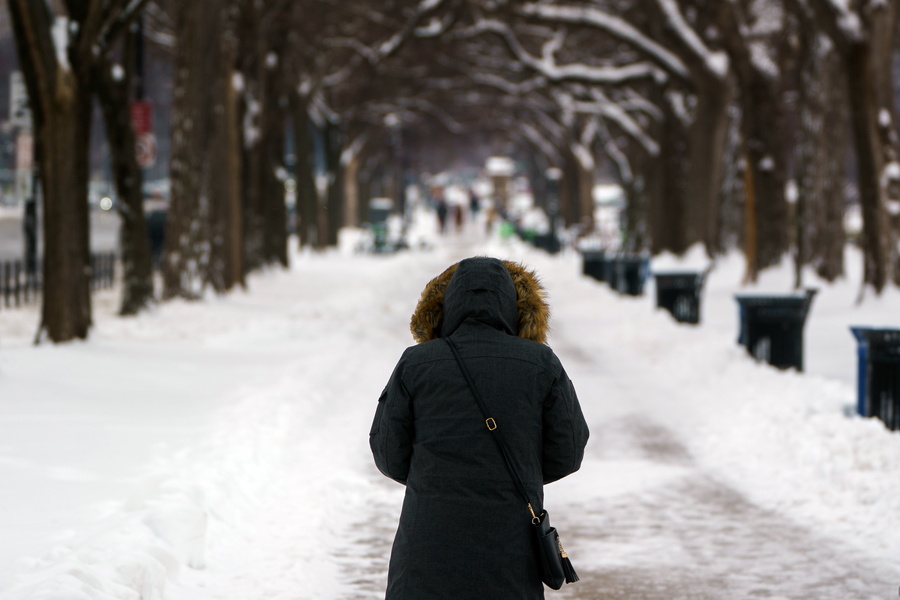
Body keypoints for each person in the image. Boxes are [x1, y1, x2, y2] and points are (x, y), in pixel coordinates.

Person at [370, 257, 589, 599]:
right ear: (514, 304)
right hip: (510, 546)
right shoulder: (540, 363)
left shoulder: (416, 363)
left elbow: (387, 453)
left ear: (446, 304)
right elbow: (569, 450)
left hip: (428, 543)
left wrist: (435, 477)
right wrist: (515, 470)